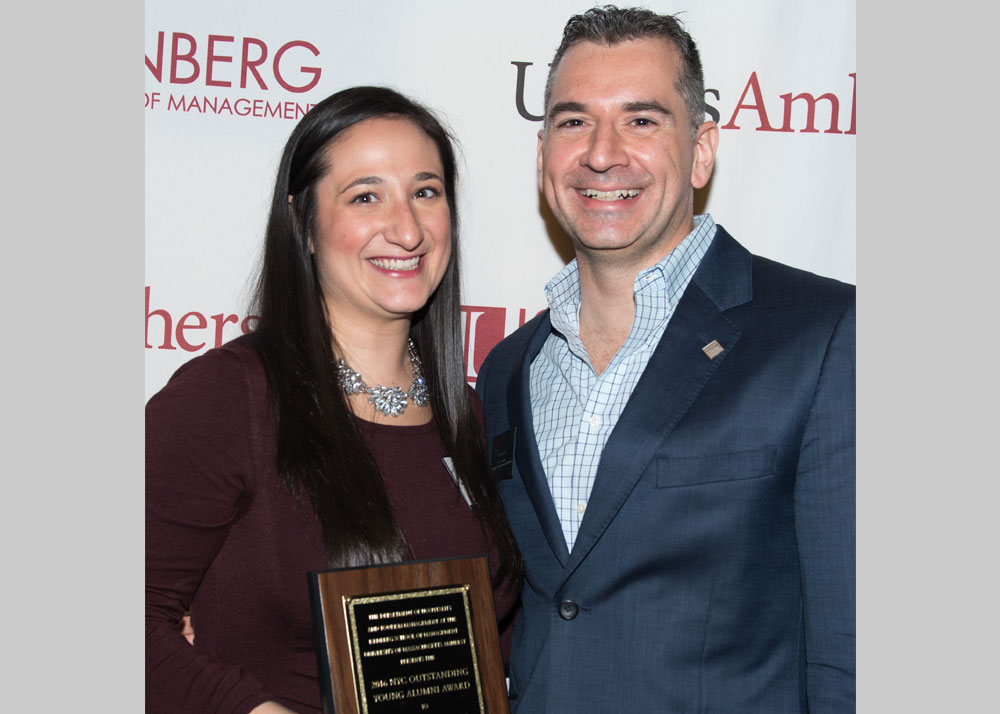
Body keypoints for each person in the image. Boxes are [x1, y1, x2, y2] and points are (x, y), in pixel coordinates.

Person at [475, 6, 855, 713]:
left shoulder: (827, 335)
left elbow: (854, 652)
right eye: (574, 121)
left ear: (702, 149)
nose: (602, 153)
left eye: (642, 120)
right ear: (542, 153)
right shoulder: (506, 371)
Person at [146, 86, 522, 714]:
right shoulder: (228, 399)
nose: (407, 229)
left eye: (426, 192)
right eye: (365, 197)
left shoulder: (473, 418)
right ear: (304, 225)